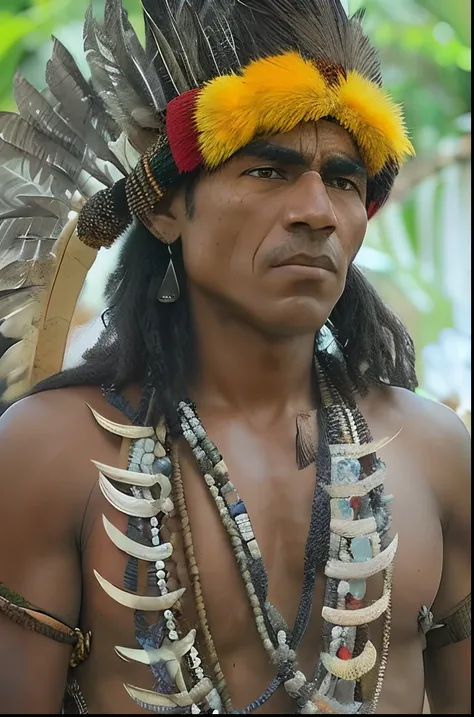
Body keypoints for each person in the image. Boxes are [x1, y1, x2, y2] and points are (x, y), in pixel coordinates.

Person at [0, 0, 470, 713]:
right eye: (268, 172)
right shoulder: (49, 452)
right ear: (164, 209)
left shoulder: (437, 453)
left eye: (343, 179)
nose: (316, 210)